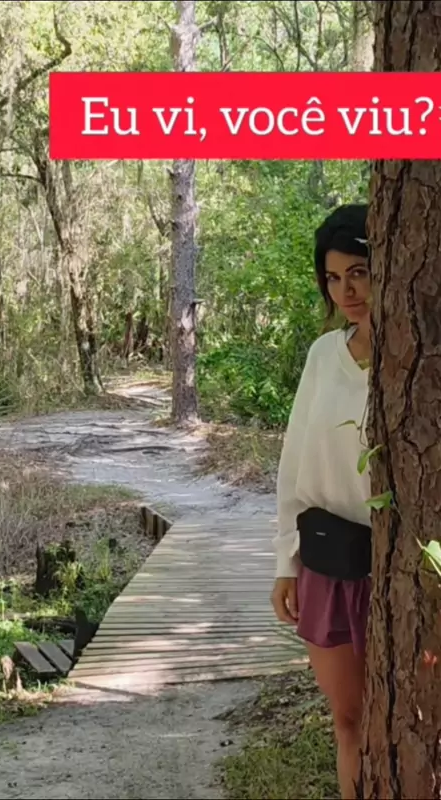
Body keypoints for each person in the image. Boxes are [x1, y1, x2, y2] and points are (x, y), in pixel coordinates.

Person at [270, 203, 372, 800]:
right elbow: (294, 466)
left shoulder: (421, 359)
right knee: (349, 722)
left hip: (404, 575)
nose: (346, 292)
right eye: (333, 278)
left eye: (358, 272)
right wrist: (286, 563)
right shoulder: (322, 356)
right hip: (330, 565)